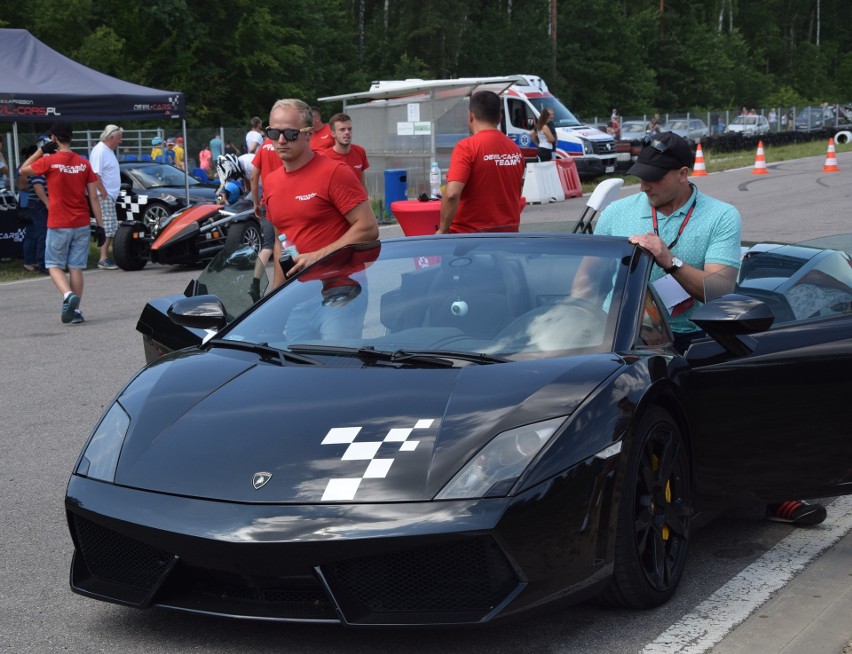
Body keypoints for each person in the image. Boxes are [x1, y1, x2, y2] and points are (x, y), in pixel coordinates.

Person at [591, 131, 827, 527]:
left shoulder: (720, 215)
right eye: (640, 175)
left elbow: (719, 290)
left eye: (655, 176)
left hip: (693, 333)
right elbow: (587, 282)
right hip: (625, 336)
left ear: (684, 174)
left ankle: (773, 489)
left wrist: (668, 259)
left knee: (745, 396)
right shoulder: (616, 213)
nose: (644, 184)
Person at [262, 98, 378, 292]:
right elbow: (279, 241)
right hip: (296, 293)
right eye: (274, 133)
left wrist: (317, 256)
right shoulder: (271, 181)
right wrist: (275, 293)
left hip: (340, 286)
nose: (281, 140)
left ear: (309, 135)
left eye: (290, 134)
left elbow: (368, 228)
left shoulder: (335, 172)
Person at [20, 122, 105, 325]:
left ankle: (67, 296)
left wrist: (41, 151)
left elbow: (23, 171)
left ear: (54, 139)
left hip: (58, 221)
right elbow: (93, 197)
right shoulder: (84, 163)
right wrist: (101, 226)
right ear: (71, 138)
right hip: (81, 222)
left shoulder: (50, 161)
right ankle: (75, 312)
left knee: (53, 265)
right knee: (76, 267)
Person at [437, 90, 524, 234]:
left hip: (470, 238)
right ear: (499, 117)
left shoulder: (466, 147)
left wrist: (442, 230)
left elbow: (452, 194)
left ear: (471, 116)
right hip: (508, 235)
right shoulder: (515, 149)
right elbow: (517, 191)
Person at [89, 124, 123, 270]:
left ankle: (105, 257)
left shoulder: (107, 151)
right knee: (108, 226)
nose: (120, 142)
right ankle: (103, 258)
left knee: (110, 225)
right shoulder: (100, 151)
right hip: (105, 195)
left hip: (109, 195)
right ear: (111, 137)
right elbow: (95, 174)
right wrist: (103, 192)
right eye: (119, 139)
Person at [19, 144, 48, 273]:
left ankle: (33, 260)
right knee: (42, 234)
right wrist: (47, 203)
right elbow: (37, 187)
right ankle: (41, 263)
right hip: (37, 204)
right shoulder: (35, 167)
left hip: (35, 203)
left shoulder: (34, 167)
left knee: (35, 233)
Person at [323, 112, 370, 186]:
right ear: (333, 133)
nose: (347, 132)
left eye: (349, 129)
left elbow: (362, 182)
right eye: (342, 129)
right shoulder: (324, 158)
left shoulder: (360, 151)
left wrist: (365, 197)